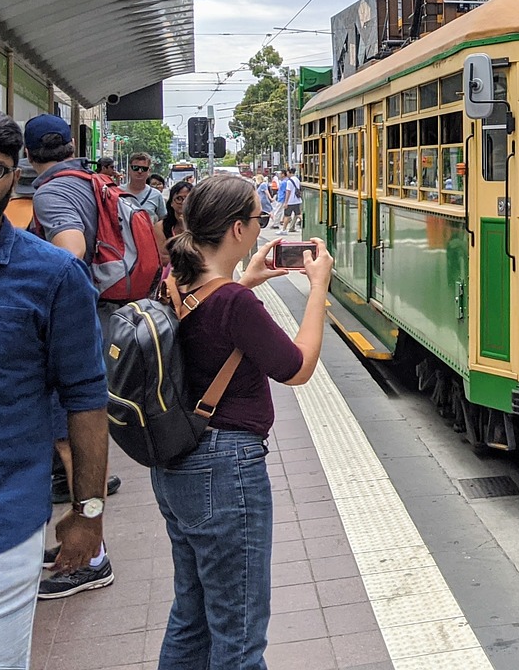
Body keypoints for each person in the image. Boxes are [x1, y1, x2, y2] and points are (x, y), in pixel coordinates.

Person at [150, 173, 332, 668]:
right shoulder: (234, 303)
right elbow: (297, 368)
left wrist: (245, 279)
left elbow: (205, 325)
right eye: (258, 217)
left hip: (176, 465)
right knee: (240, 633)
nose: (263, 225)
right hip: (225, 470)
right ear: (236, 229)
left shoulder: (175, 280)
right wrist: (319, 287)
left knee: (191, 615)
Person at [0, 108, 108, 668]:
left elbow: (86, 400)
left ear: (18, 176)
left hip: (0, 532)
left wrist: (88, 512)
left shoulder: (51, 276)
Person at [25, 113, 120, 599]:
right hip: (103, 313)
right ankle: (83, 538)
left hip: (75, 322)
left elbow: (69, 251)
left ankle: (93, 553)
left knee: (70, 437)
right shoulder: (92, 181)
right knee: (78, 429)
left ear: (26, 156)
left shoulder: (50, 192)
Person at [154, 180, 193, 265]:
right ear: (171, 202)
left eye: (188, 199)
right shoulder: (160, 227)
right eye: (179, 199)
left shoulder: (202, 225)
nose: (183, 203)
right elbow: (162, 258)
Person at [120, 151, 165, 221]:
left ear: (149, 171)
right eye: (135, 168)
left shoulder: (156, 195)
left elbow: (163, 221)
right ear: (129, 169)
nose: (140, 171)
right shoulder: (118, 192)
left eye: (144, 169)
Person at [282, 166, 303, 232]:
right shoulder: (297, 179)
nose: (287, 173)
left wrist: (286, 202)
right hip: (297, 200)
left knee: (287, 215)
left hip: (290, 201)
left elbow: (288, 191)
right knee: (298, 214)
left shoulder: (289, 181)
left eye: (287, 172)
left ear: (289, 172)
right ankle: (305, 223)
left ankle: (283, 230)